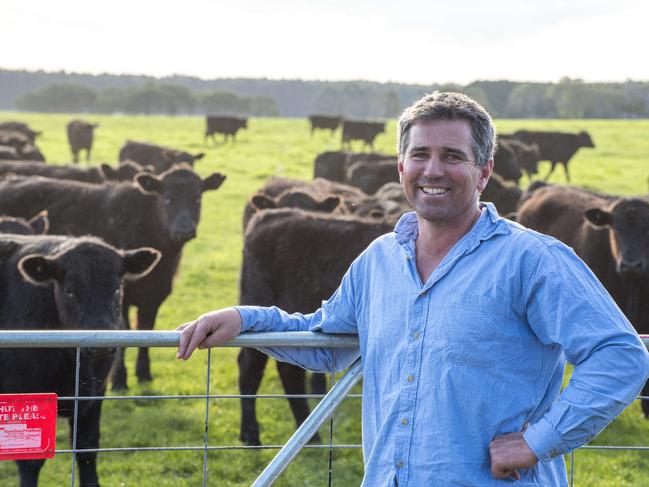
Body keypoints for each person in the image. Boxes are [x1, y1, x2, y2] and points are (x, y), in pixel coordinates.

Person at [177, 92, 649, 486]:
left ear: (484, 171)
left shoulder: (532, 260)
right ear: (400, 166)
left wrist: (538, 442)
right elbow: (326, 341)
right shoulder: (379, 260)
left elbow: (621, 355)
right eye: (420, 155)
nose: (433, 171)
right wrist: (246, 320)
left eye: (452, 157)